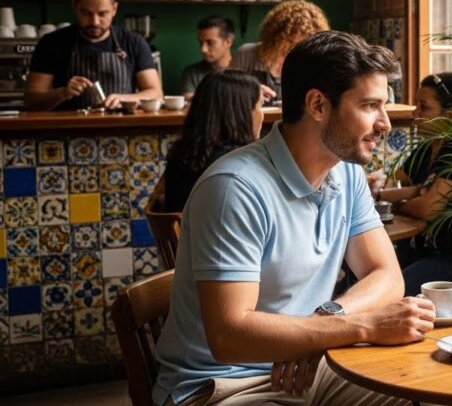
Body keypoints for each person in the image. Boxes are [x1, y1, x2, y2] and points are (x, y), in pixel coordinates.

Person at [153, 31, 434, 406]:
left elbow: (387, 276)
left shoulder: (346, 172)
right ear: (318, 105)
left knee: (426, 394)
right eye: (369, 106)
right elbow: (229, 337)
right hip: (222, 386)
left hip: (311, 366)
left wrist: (325, 325)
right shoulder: (235, 188)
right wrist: (356, 326)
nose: (385, 123)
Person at [369, 72, 452, 296]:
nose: (415, 114)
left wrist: (393, 202)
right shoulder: (427, 148)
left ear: (450, 116)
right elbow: (393, 182)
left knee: (386, 292)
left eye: (423, 107)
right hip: (418, 250)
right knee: (363, 273)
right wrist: (412, 194)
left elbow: (428, 208)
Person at [25, 0, 163, 111]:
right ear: (74, 6)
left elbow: (156, 94)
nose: (94, 22)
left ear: (114, 9)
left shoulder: (134, 43)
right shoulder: (51, 43)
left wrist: (123, 98)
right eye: (86, 13)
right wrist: (62, 93)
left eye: (102, 14)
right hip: (67, 131)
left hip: (121, 130)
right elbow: (31, 102)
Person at [163, 70, 262, 212]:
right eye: (260, 106)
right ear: (243, 113)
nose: (261, 114)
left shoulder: (180, 152)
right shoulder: (240, 163)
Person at [230, 0, 329, 103]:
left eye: (301, 44)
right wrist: (250, 91)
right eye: (289, 41)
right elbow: (226, 91)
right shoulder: (247, 54)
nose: (293, 48)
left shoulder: (310, 63)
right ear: (274, 35)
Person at [180, 16, 235, 100]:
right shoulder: (192, 73)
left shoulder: (244, 71)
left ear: (228, 42)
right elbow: (189, 104)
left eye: (210, 43)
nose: (203, 49)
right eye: (201, 42)